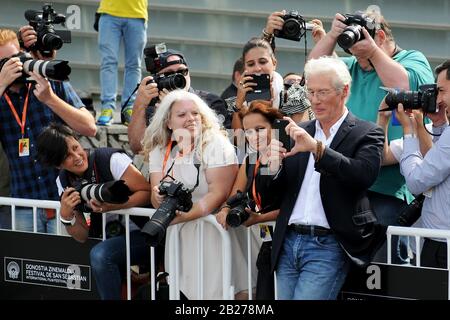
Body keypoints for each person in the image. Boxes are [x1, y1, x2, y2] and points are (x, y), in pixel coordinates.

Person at [308, 6, 435, 262]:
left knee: (383, 265)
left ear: (379, 38)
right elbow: (313, 69)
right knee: (348, 268)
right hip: (349, 181)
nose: (356, 55)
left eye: (360, 46)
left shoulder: (412, 58)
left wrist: (373, 53)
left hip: (388, 187)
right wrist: (332, 35)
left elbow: (404, 85)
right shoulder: (352, 66)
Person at [258, 56, 385, 300]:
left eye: (323, 92)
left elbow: (363, 175)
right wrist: (268, 167)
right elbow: (270, 197)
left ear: (344, 91)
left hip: (328, 244)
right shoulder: (297, 131)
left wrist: (319, 150)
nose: (315, 100)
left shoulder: (367, 132)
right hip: (288, 241)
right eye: (311, 92)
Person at [142, 90, 242, 299]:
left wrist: (187, 215)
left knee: (215, 292)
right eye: (182, 115)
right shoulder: (160, 150)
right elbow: (155, 195)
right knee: (183, 292)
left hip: (214, 231)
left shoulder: (216, 144)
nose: (190, 119)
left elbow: (219, 193)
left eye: (195, 113)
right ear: (168, 122)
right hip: (178, 233)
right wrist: (157, 196)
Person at [36, 123, 151, 299]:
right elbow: (81, 236)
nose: (77, 156)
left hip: (144, 232)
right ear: (58, 165)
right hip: (109, 237)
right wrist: (67, 216)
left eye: (76, 147)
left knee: (100, 255)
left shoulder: (109, 159)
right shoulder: (63, 181)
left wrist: (114, 206)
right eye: (67, 156)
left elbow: (146, 192)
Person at [0, 28, 96, 233]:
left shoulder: (46, 78)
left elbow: (89, 127)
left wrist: (50, 99)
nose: (14, 66)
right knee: (28, 263)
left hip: (64, 200)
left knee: (65, 262)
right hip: (23, 203)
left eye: (16, 58)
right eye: (5, 63)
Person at [216, 100, 282, 299]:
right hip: (266, 240)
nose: (254, 136)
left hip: (288, 239)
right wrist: (225, 209)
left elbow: (292, 205)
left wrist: (260, 219)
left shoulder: (288, 155)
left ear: (274, 127)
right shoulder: (250, 160)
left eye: (260, 129)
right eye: (248, 131)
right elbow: (235, 194)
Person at [396, 60, 450, 269]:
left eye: (442, 91)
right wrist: (438, 124)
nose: (439, 99)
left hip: (443, 246)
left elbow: (417, 182)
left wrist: (409, 132)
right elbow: (437, 159)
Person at [128, 48, 230, 154]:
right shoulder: (152, 107)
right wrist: (140, 105)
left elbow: (224, 143)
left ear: (189, 73)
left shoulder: (210, 101)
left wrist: (175, 108)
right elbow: (138, 147)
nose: (178, 77)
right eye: (169, 74)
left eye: (182, 71)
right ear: (157, 79)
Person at [95, 0, 148, 126]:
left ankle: (129, 108)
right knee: (108, 62)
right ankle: (107, 108)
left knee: (134, 65)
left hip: (137, 14)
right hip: (109, 13)